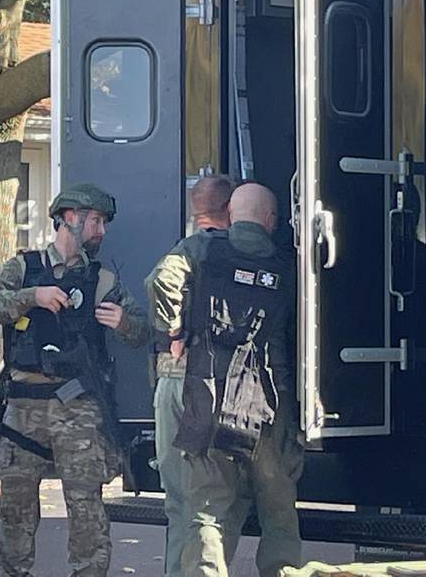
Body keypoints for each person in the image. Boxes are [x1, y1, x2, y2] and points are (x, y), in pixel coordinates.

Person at [0, 183, 150, 577]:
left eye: (103, 223)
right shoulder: (24, 268)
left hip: (79, 408)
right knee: (16, 506)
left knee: (86, 505)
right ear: (69, 219)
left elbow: (142, 330)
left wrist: (124, 323)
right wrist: (31, 297)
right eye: (95, 222)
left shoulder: (102, 279)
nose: (101, 231)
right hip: (22, 407)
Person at [174, 182, 303, 577]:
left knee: (210, 507)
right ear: (271, 220)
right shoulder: (290, 267)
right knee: (278, 505)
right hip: (269, 403)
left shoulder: (201, 251)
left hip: (211, 396)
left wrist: (172, 334)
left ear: (230, 214)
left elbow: (160, 283)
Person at [145, 176, 234, 577]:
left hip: (173, 383)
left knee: (178, 498)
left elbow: (160, 281)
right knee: (211, 498)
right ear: (229, 210)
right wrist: (177, 330)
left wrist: (172, 332)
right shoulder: (230, 251)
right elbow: (161, 279)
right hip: (213, 384)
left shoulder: (188, 248)